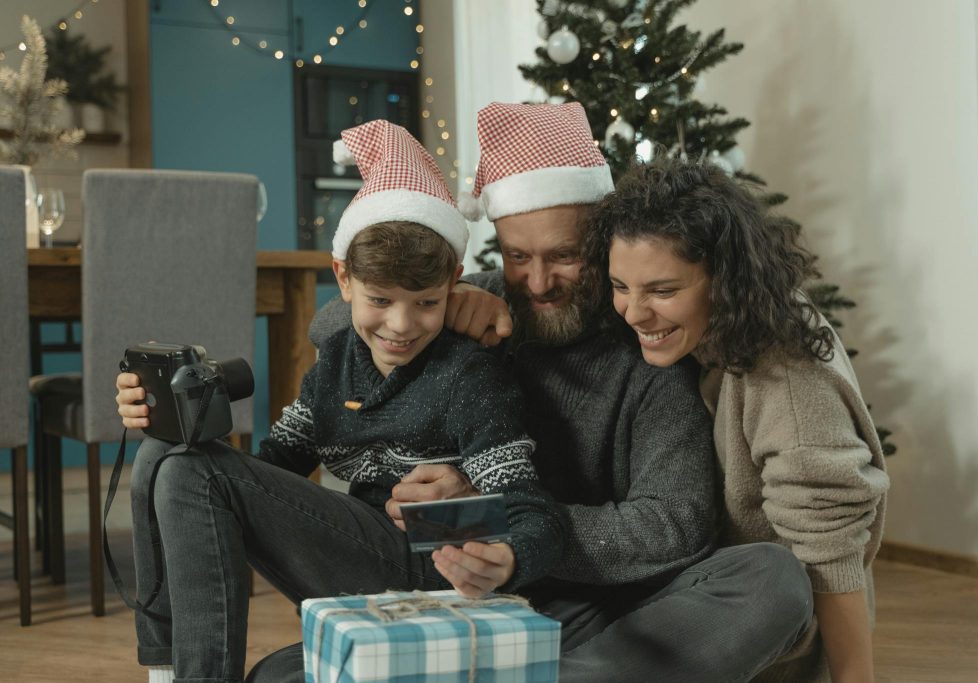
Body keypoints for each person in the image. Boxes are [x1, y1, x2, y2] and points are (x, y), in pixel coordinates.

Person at [246, 103, 814, 683]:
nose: (539, 283)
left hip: (598, 612)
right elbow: (334, 324)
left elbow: (675, 524)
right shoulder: (472, 307)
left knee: (772, 578)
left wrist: (489, 518)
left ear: (603, 245)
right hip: (457, 598)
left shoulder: (649, 345)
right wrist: (458, 296)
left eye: (565, 256)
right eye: (519, 257)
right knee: (278, 676)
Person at [115, 120, 564, 683]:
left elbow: (535, 514)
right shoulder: (335, 365)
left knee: (187, 473)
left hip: (431, 569)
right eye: (381, 299)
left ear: (454, 281)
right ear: (343, 277)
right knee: (165, 456)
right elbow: (266, 475)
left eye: (427, 303)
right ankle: (166, 669)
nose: (402, 326)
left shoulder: (469, 376)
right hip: (358, 555)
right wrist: (167, 417)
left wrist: (506, 557)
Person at [582, 156, 891, 682]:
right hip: (686, 598)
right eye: (620, 286)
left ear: (724, 281)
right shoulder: (705, 336)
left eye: (661, 290)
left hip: (757, 634)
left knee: (772, 577)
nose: (634, 313)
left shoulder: (788, 382)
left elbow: (831, 552)